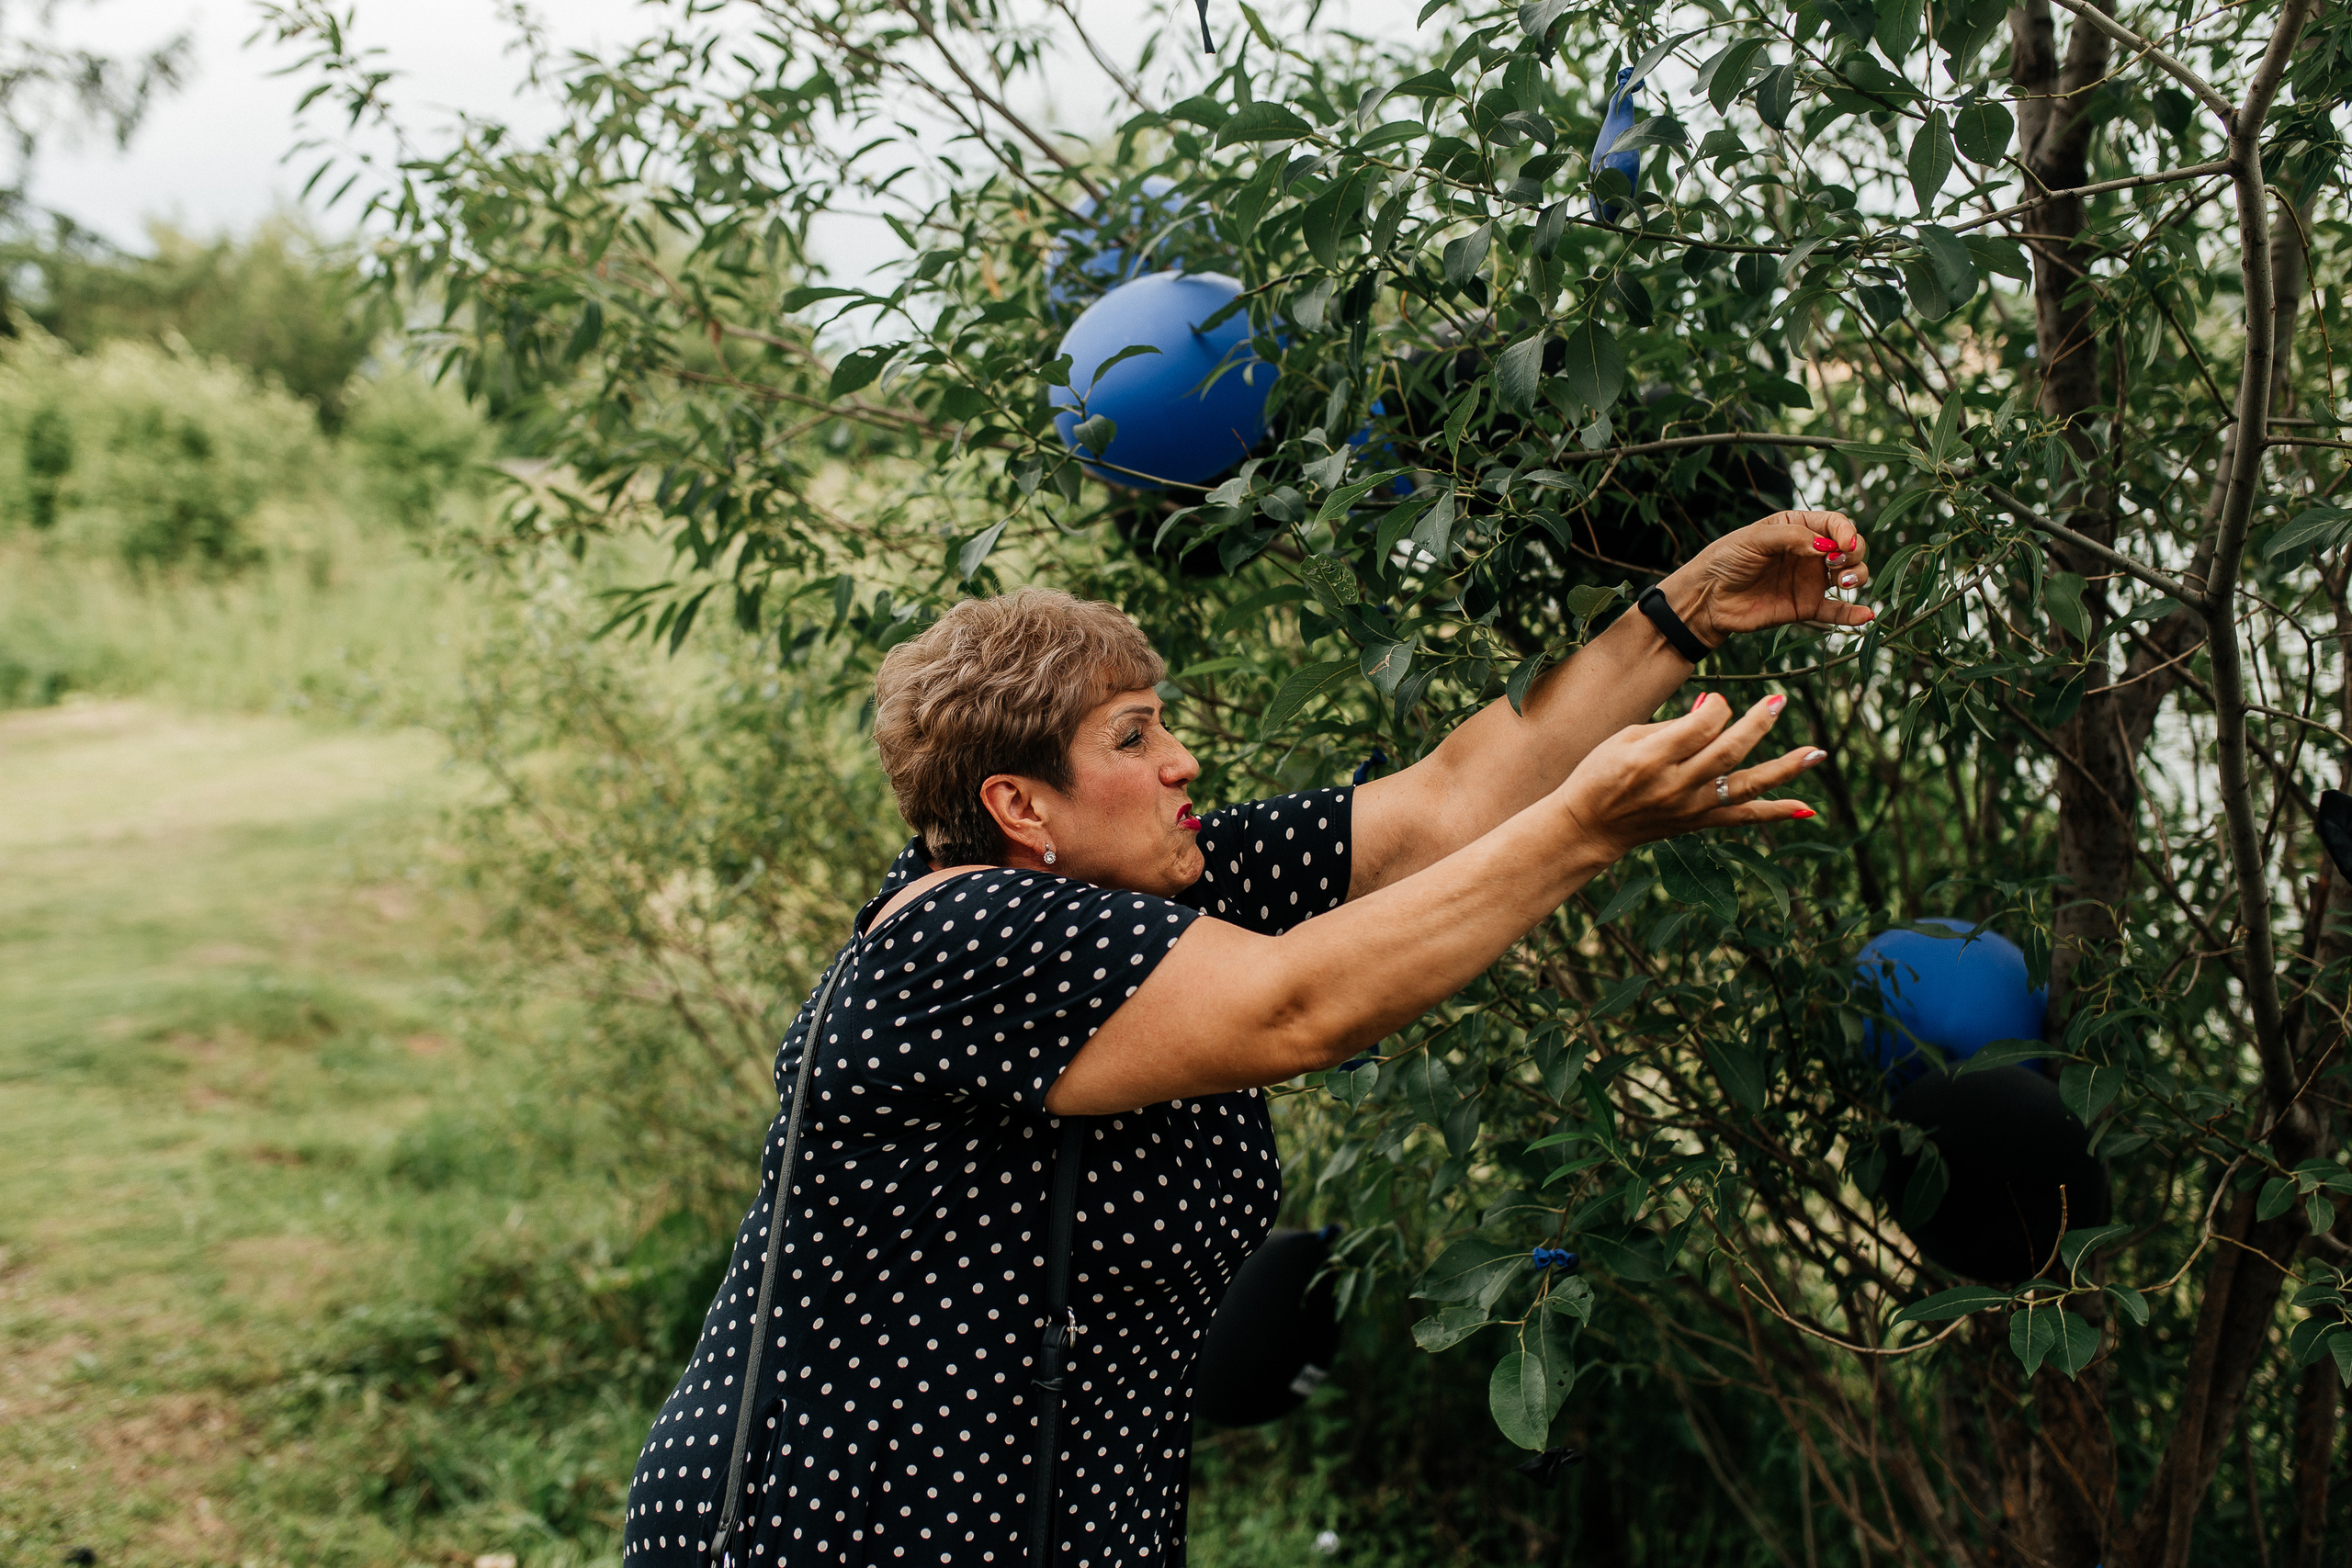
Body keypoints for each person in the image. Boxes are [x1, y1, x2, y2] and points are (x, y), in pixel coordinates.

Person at [622, 513, 1874, 1566]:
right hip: (838, 1526)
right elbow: (1298, 1006)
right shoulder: (968, 932)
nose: (1184, 759)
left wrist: (1687, 610)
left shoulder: (1151, 893)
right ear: (1019, 806)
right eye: (1132, 737)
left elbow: (1441, 809)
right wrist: (1585, 831)